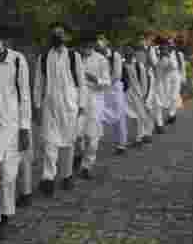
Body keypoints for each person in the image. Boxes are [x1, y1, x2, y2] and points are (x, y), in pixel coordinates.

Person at [0, 27, 31, 237]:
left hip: (12, 125)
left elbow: (25, 94)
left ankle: (6, 216)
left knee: (8, 174)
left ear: (5, 40)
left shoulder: (18, 61)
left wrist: (25, 127)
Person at [32, 22, 85, 196]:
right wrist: (37, 106)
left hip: (69, 105)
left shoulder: (73, 56)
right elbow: (38, 84)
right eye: (54, 33)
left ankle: (67, 175)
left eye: (60, 33)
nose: (57, 36)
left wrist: (82, 105)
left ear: (66, 36)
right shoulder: (44, 57)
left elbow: (81, 82)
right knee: (49, 142)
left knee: (68, 142)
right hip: (49, 105)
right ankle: (48, 178)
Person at [75, 33, 111, 180]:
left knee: (92, 136)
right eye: (84, 46)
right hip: (76, 100)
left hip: (95, 101)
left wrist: (96, 79)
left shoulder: (101, 60)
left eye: (89, 45)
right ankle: (79, 155)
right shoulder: (74, 58)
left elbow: (107, 82)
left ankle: (87, 165)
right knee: (76, 134)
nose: (86, 48)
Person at [96, 36, 129, 155]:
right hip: (102, 89)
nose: (99, 43)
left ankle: (121, 143)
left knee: (119, 115)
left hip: (114, 89)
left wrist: (103, 82)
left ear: (106, 42)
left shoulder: (115, 56)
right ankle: (93, 140)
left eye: (102, 39)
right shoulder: (97, 56)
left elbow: (117, 75)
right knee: (98, 113)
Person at [125, 45, 156, 146]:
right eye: (126, 52)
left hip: (140, 94)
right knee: (134, 116)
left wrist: (145, 96)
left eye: (130, 52)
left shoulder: (140, 66)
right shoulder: (124, 65)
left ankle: (143, 136)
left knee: (143, 115)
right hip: (129, 94)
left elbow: (145, 82)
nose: (127, 54)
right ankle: (141, 136)